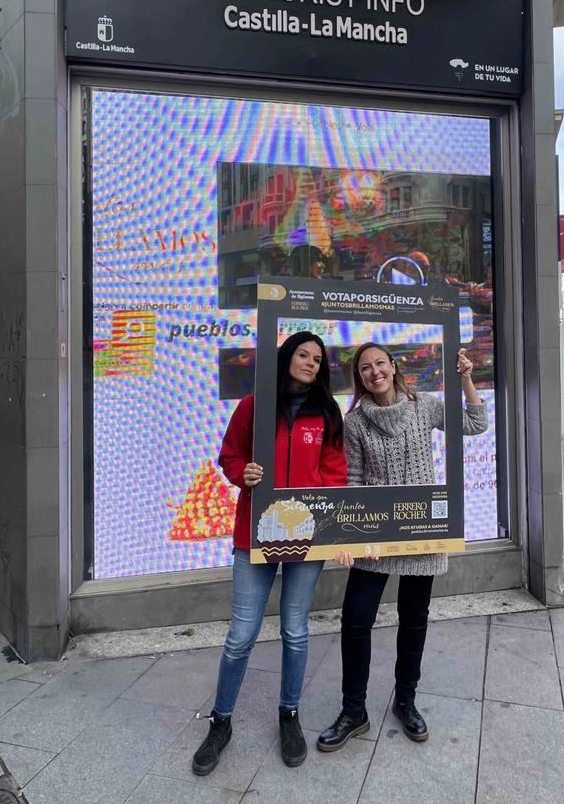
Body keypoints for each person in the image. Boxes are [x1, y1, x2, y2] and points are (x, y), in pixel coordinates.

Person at [317, 343, 488, 751]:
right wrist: (351, 537)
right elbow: (354, 483)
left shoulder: (423, 406)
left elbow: (476, 423)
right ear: (359, 379)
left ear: (393, 367)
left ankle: (405, 701)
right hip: (374, 536)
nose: (374, 372)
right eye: (364, 368)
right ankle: (353, 710)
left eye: (380, 363)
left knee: (415, 619)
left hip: (421, 531)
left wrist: (465, 378)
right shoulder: (355, 422)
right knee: (356, 620)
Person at [192, 331, 347, 776]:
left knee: (296, 631)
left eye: (318, 359)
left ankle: (290, 716)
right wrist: (246, 474)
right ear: (287, 357)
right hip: (254, 535)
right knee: (241, 636)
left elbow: (334, 474)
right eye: (303, 355)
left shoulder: (327, 412)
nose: (311, 363)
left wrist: (326, 521)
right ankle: (221, 723)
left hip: (306, 538)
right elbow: (229, 456)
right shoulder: (253, 405)